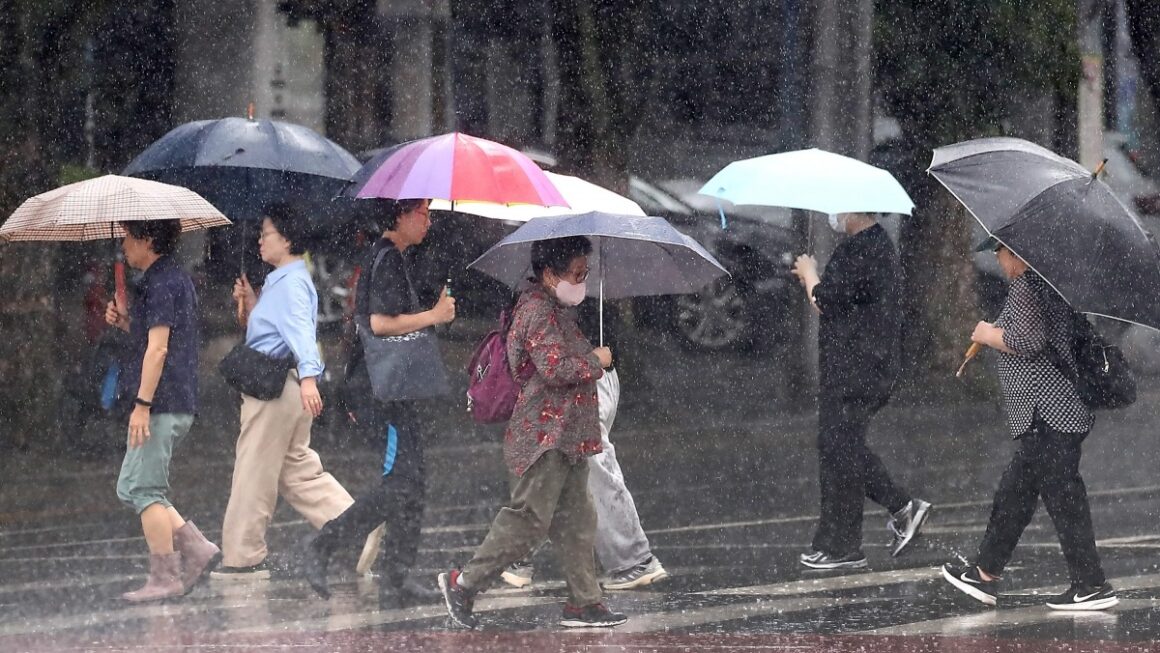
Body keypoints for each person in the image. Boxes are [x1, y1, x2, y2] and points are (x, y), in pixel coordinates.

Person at [438, 236, 628, 629]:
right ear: (548, 273)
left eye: (585, 273)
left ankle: (584, 602)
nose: (582, 281)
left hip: (569, 435)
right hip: (543, 435)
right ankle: (464, 583)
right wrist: (597, 359)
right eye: (576, 273)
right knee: (528, 521)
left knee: (578, 519)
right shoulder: (536, 312)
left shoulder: (556, 310)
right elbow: (556, 369)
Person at [942, 239, 1118, 611]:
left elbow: (1028, 340)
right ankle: (985, 573)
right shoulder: (1047, 282)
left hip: (1048, 410)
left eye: (1000, 252)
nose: (997, 259)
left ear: (1016, 254)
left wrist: (986, 334)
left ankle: (1091, 584)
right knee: (1016, 493)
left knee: (1062, 497)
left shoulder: (1026, 284)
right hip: (1053, 411)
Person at [300, 199, 452, 606]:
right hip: (376, 393)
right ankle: (324, 545)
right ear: (400, 215)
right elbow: (380, 323)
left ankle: (396, 578)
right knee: (400, 483)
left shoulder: (394, 258)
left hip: (395, 389)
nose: (429, 220)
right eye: (422, 212)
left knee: (413, 483)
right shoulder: (385, 258)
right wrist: (433, 316)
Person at [212, 204, 359, 580]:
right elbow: (273, 330)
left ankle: (243, 556)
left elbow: (300, 334)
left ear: (288, 239)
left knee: (253, 473)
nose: (260, 240)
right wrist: (250, 305)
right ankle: (358, 526)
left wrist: (311, 377)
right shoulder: (284, 279)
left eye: (267, 233)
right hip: (284, 389)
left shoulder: (291, 282)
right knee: (297, 473)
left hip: (274, 393)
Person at [790, 212, 931, 569]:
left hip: (856, 369)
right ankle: (849, 539)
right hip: (865, 366)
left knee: (840, 448)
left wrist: (809, 273)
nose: (831, 215)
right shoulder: (875, 246)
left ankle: (852, 537)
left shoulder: (861, 250)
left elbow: (825, 300)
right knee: (840, 447)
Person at [501, 301, 668, 591]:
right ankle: (519, 557)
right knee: (558, 467)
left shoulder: (559, 290)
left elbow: (553, 356)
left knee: (585, 467)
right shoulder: (580, 289)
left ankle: (632, 559)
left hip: (584, 380)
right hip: (591, 376)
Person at [105, 219, 220, 602]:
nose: (123, 243)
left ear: (148, 239)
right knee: (132, 487)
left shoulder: (159, 284)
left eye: (127, 236)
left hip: (161, 401)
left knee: (144, 489)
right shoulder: (172, 279)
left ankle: (166, 576)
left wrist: (142, 404)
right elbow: (160, 339)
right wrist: (128, 323)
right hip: (173, 397)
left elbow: (158, 350)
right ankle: (197, 548)